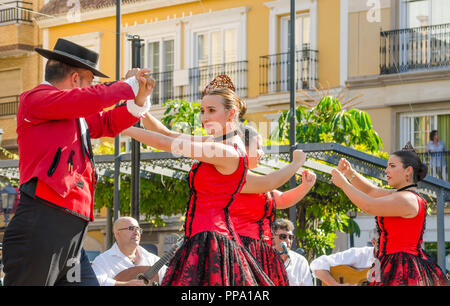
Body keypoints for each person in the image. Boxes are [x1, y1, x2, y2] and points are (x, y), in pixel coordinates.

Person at [2, 38, 153, 286]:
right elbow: (88, 99)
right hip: (43, 223)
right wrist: (128, 85)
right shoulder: (35, 99)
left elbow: (106, 123)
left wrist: (137, 100)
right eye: (89, 81)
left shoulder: (71, 109)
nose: (92, 87)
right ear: (75, 79)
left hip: (70, 229)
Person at [123, 87, 274, 285]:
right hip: (203, 236)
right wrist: (139, 106)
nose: (204, 116)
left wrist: (118, 126)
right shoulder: (216, 142)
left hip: (211, 238)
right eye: (202, 111)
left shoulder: (227, 151)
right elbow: (165, 133)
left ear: (231, 113)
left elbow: (165, 143)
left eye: (212, 110)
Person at [331, 146, 448, 286]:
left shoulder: (408, 199)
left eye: (392, 166)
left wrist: (343, 184)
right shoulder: (399, 195)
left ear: (408, 171)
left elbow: (369, 205)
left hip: (403, 266)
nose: (386, 171)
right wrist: (350, 173)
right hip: (391, 262)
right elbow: (371, 191)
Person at [230, 125, 317, 286]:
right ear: (242, 147)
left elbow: (282, 199)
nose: (261, 152)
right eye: (258, 147)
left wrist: (305, 186)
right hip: (238, 252)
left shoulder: (252, 178)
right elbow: (270, 181)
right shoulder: (234, 176)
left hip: (258, 252)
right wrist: (296, 163)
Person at [91, 217, 167, 286]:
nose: (136, 232)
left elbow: (171, 278)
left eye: (138, 229)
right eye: (131, 228)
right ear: (117, 234)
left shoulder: (152, 259)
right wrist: (125, 284)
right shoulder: (103, 261)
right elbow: (96, 282)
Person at [310, 228, 378, 286]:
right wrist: (335, 284)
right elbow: (318, 264)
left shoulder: (387, 264)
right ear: (373, 243)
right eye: (384, 243)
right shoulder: (359, 254)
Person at [271, 218, 313, 286]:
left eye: (290, 237)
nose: (288, 241)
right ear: (273, 237)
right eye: (283, 236)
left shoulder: (300, 261)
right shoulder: (264, 258)